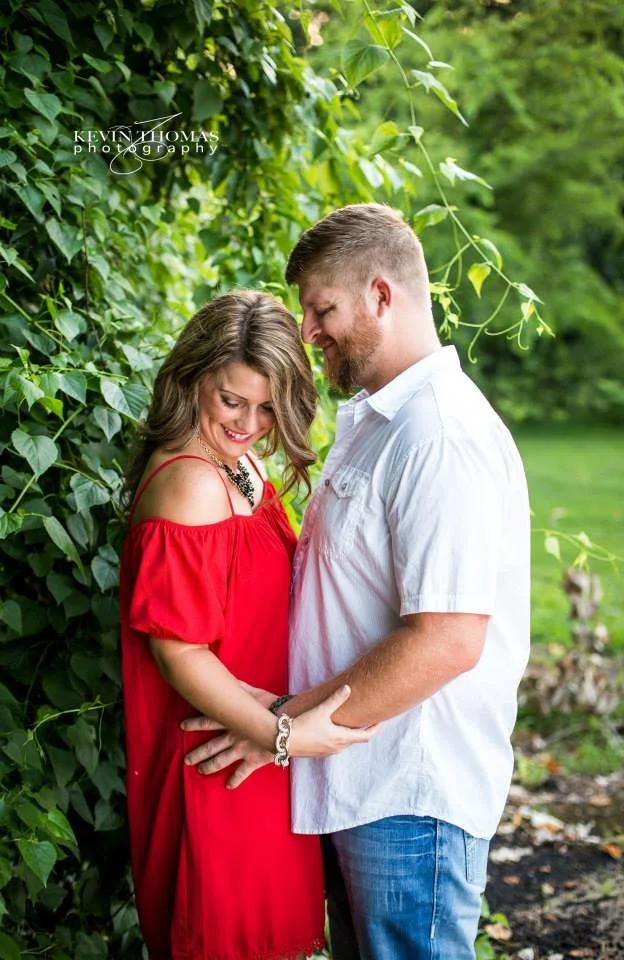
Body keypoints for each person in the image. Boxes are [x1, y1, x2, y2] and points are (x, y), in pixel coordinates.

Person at [183, 205, 531, 960]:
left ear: (381, 295)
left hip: (411, 794)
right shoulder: (382, 419)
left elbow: (447, 639)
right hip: (361, 779)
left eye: (321, 308)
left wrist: (279, 729)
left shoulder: (438, 435)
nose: (307, 331)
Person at [119, 290, 377, 960]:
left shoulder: (242, 465)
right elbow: (179, 651)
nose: (249, 422)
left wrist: (281, 733)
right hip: (220, 761)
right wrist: (284, 734)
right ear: (192, 377)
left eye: (267, 407)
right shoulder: (191, 482)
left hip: (261, 751)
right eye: (231, 399)